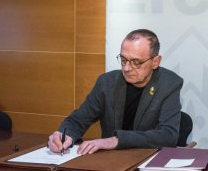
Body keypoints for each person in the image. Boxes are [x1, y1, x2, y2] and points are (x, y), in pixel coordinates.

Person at [48, 29, 183, 155]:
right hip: (111, 161)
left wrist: (117, 140)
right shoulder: (107, 83)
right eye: (123, 60)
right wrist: (64, 134)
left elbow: (168, 135)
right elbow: (79, 119)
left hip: (145, 161)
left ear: (155, 62)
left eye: (136, 62)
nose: (127, 68)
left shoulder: (169, 84)